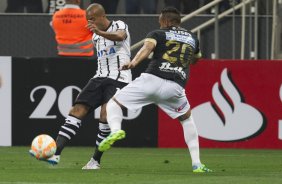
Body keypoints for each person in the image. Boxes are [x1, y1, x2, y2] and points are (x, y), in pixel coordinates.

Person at [98, 7, 212, 173]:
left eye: (160, 20)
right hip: (175, 87)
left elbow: (147, 48)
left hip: (152, 79)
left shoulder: (157, 33)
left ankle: (116, 131)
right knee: (187, 119)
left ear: (165, 21)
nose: (159, 23)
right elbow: (197, 58)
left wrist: (133, 62)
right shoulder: (192, 37)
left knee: (113, 104)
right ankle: (197, 164)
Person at [30, 3, 132, 170]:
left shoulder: (119, 25)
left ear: (101, 16)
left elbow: (120, 36)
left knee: (105, 116)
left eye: (91, 19)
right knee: (76, 111)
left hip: (119, 78)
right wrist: (97, 33)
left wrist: (99, 32)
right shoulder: (95, 37)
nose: (89, 23)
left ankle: (95, 161)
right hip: (99, 77)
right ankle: (55, 154)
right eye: (87, 20)